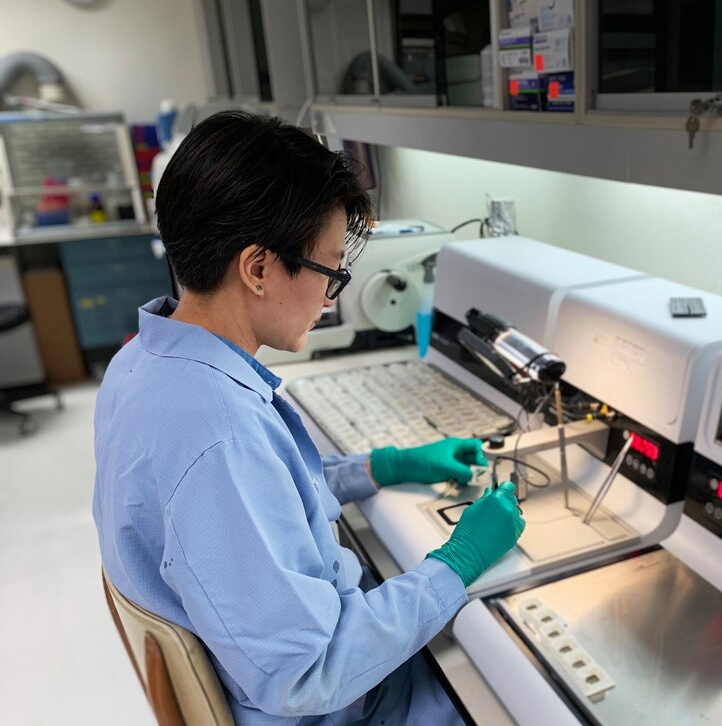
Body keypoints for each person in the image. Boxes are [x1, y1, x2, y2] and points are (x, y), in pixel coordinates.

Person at [93, 111, 526, 726]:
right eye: (330, 272)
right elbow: (311, 675)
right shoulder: (216, 432)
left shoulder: (143, 362)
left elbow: (260, 498)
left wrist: (381, 467)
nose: (333, 297)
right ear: (258, 267)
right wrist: (456, 563)